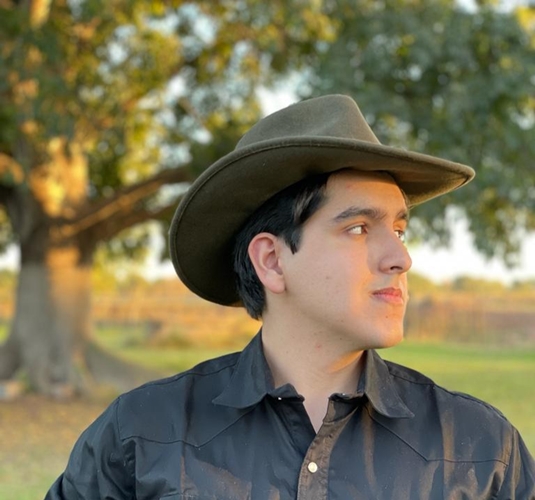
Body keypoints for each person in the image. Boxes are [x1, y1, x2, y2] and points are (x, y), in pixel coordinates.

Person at [45, 95, 535, 499]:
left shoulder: (481, 452)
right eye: (359, 228)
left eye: (400, 231)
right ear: (272, 261)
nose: (400, 258)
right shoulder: (141, 436)